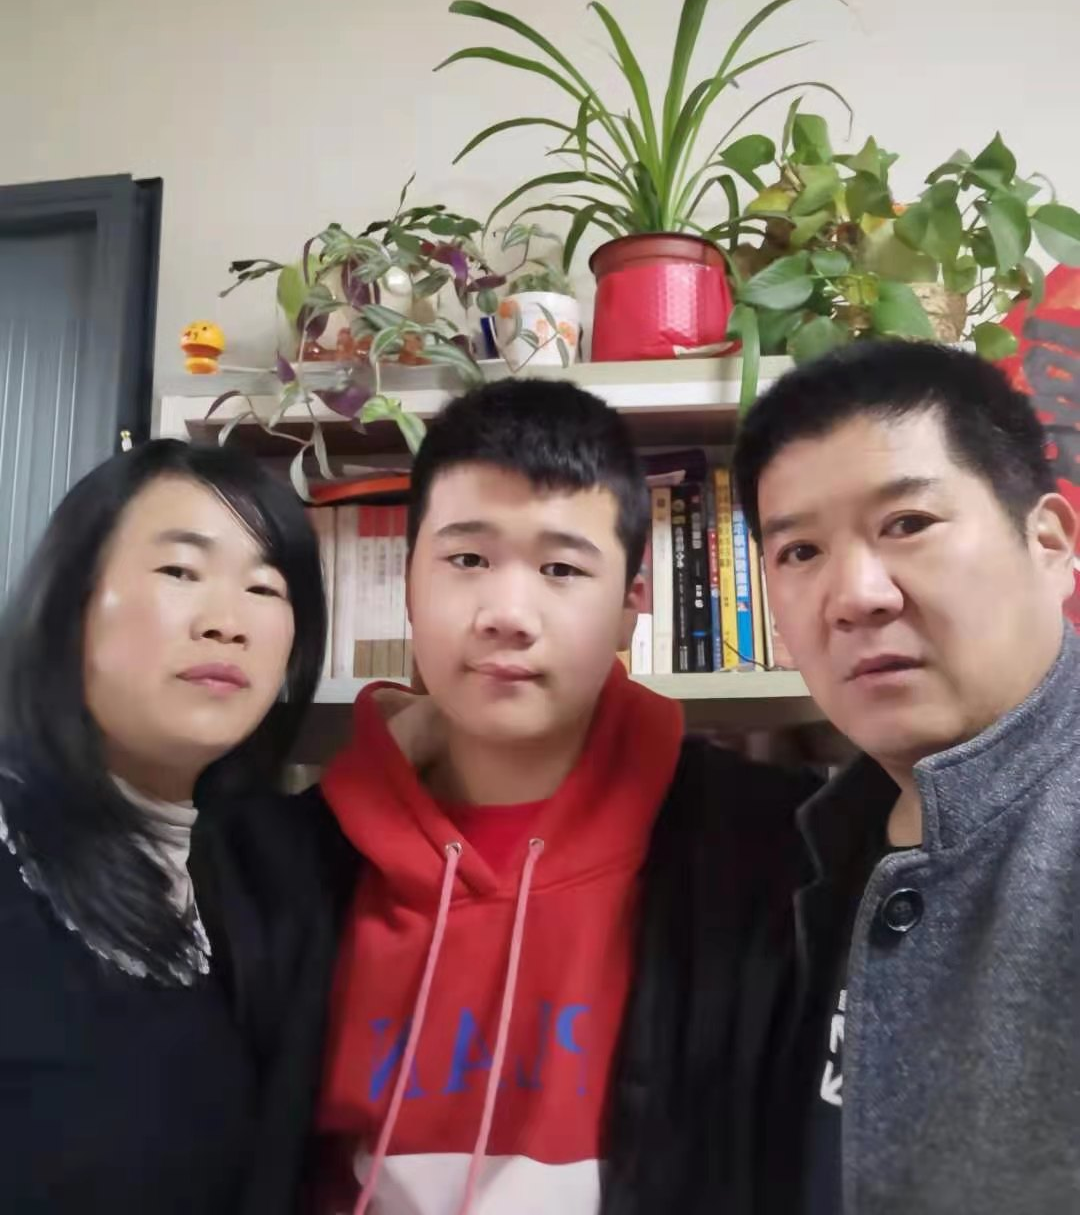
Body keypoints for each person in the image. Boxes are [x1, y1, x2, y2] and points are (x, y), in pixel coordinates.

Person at [292, 377, 816, 1215]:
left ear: (631, 606)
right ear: (407, 583)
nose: (507, 613)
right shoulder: (288, 863)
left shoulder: (770, 857)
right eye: (467, 560)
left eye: (561, 568)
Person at [732, 339, 1080, 1215]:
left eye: (908, 523)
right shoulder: (815, 840)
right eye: (799, 551)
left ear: (1049, 542)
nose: (856, 595)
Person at [0, 438, 333, 1215]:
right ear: (69, 600)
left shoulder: (265, 877)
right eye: (180, 571)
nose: (227, 624)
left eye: (266, 587)